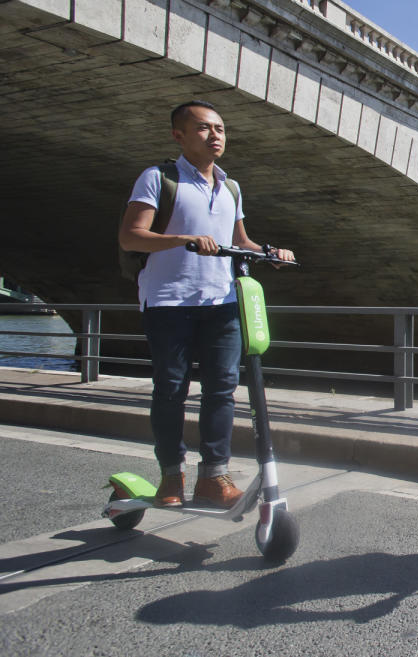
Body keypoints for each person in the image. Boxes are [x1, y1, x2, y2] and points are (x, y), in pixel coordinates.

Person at [118, 100, 294, 508]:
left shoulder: (230, 186)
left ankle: (214, 477)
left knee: (222, 391)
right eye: (203, 128)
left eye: (220, 129)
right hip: (168, 302)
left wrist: (269, 251)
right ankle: (170, 477)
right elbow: (131, 236)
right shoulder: (158, 178)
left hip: (222, 301)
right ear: (179, 135)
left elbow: (240, 242)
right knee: (171, 390)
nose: (215, 135)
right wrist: (184, 239)